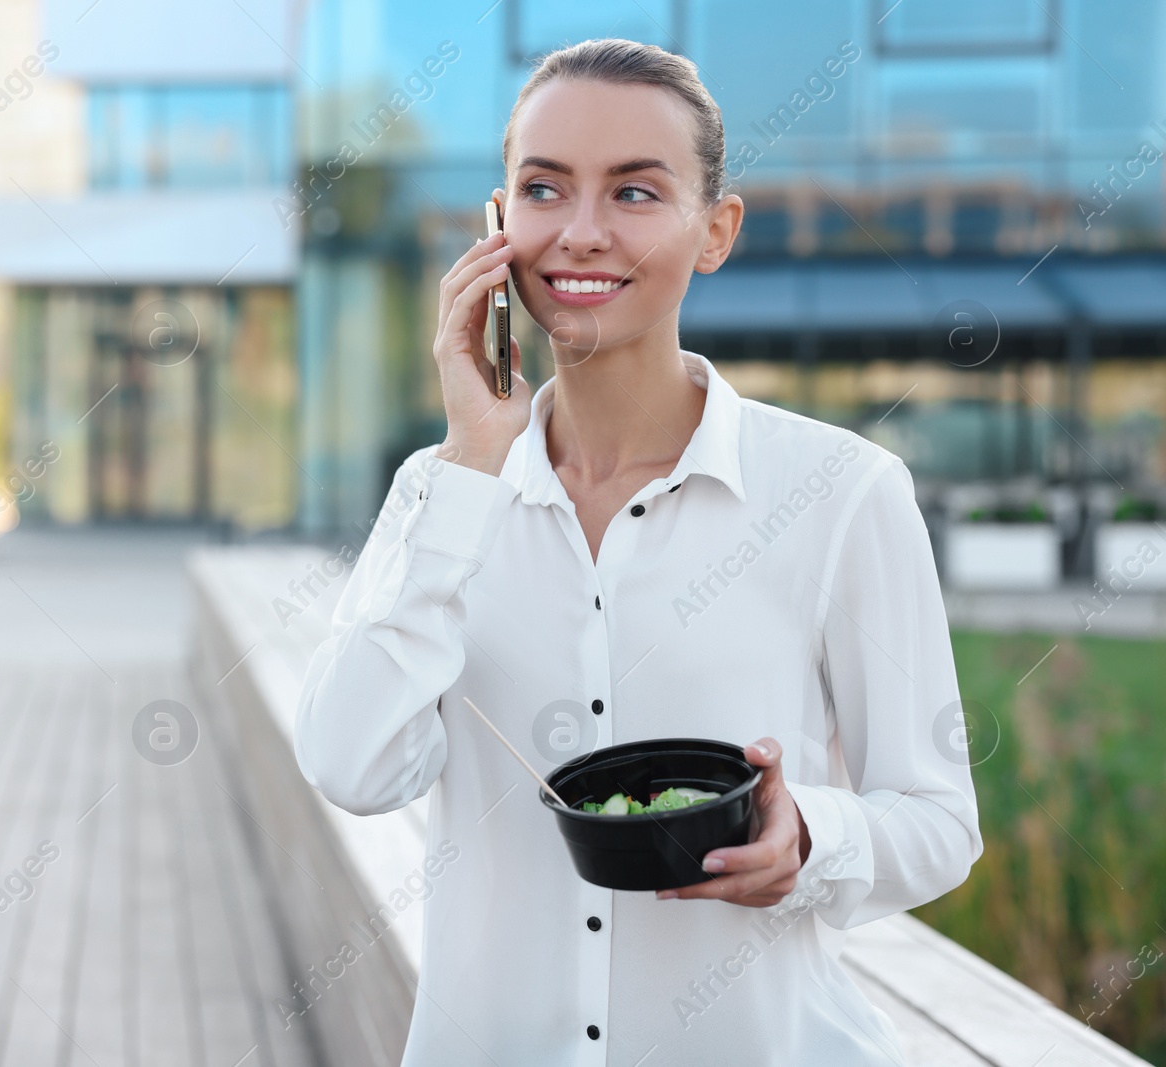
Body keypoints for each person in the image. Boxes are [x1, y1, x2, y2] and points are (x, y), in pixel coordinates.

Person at [292, 37, 982, 1066]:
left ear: (716, 230)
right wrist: (471, 461)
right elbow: (350, 763)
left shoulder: (841, 495)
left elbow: (936, 821)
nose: (580, 233)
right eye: (542, 188)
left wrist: (807, 842)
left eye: (635, 193)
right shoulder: (440, 494)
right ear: (497, 224)